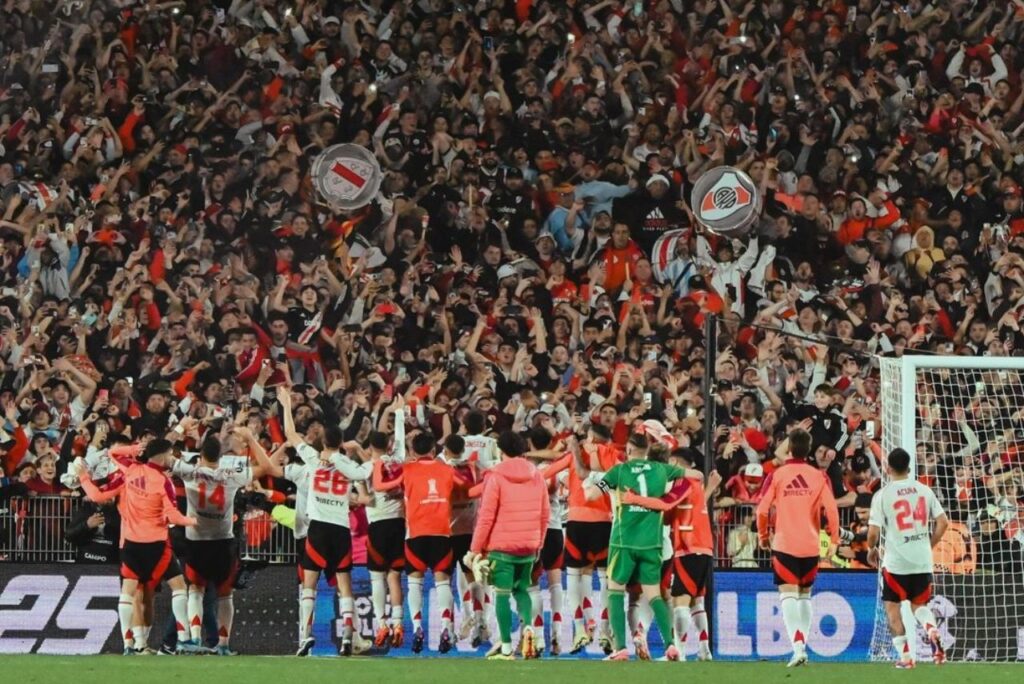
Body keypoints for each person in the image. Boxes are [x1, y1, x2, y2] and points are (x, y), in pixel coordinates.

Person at [75, 439, 198, 655]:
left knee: (134, 594)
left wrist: (83, 476)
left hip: (130, 543)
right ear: (162, 455)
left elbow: (104, 475)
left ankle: (134, 645)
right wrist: (193, 521)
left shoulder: (127, 472)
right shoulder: (161, 480)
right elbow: (173, 516)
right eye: (171, 455)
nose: (174, 459)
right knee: (173, 588)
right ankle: (182, 639)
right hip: (157, 544)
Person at [172, 425, 274, 655]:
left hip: (196, 541)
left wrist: (180, 430)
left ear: (200, 455)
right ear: (220, 456)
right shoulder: (232, 475)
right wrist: (250, 438)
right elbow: (267, 467)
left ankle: (195, 640)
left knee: (195, 590)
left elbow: (163, 456)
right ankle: (224, 645)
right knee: (225, 594)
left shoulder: (189, 472)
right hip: (223, 542)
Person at [584, 432, 685, 662]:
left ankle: (621, 645)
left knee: (617, 591)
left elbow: (591, 493)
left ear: (629, 451)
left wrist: (588, 480)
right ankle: (670, 644)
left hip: (624, 541)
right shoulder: (662, 474)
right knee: (656, 595)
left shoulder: (620, 472)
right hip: (657, 543)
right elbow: (683, 486)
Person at [375, 431, 470, 654]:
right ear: (433, 450)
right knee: (443, 583)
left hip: (415, 535)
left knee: (414, 584)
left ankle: (417, 627)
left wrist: (378, 463)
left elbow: (381, 486)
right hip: (442, 534)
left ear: (413, 451)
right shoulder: (447, 470)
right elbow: (467, 487)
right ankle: (446, 627)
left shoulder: (406, 470)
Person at [755, 429, 840, 667]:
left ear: (789, 449)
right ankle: (803, 647)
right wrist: (833, 541)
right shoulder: (819, 476)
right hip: (811, 544)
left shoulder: (778, 474)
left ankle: (798, 646)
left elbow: (761, 510)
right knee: (804, 594)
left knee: (788, 594)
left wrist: (763, 536)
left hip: (785, 542)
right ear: (809, 450)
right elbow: (831, 510)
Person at [622, 446, 714, 661]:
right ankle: (704, 649)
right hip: (702, 546)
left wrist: (635, 499)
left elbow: (666, 503)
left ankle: (679, 652)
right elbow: (671, 513)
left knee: (679, 600)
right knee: (696, 601)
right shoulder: (695, 485)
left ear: (674, 463)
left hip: (688, 546)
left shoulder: (684, 482)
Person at [464, 431, 549, 660]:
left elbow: (486, 516)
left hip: (502, 546)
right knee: (522, 590)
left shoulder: (495, 476)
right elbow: (545, 512)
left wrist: (474, 549)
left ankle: (506, 647)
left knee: (501, 594)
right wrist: (538, 542)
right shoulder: (536, 475)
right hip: (528, 546)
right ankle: (529, 628)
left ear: (500, 451)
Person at [867, 448, 950, 669]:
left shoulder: (883, 495)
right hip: (922, 560)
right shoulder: (925, 490)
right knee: (919, 605)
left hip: (896, 563)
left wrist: (871, 548)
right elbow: (943, 523)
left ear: (887, 469)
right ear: (910, 468)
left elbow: (873, 533)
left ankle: (905, 658)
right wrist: (928, 545)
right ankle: (932, 629)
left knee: (893, 610)